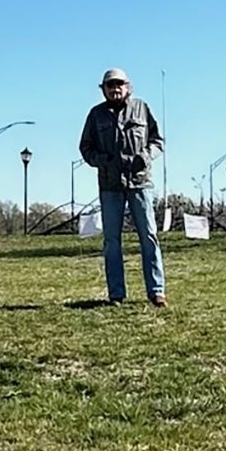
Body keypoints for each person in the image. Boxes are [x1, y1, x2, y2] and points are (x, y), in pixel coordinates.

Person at [78, 68, 167, 306]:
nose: (115, 88)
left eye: (119, 84)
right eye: (110, 85)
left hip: (140, 183)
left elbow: (158, 141)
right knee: (111, 241)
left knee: (149, 236)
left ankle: (157, 292)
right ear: (103, 89)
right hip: (110, 186)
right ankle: (116, 294)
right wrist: (102, 161)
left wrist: (146, 157)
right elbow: (85, 148)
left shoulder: (142, 108)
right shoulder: (95, 115)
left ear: (128, 86)